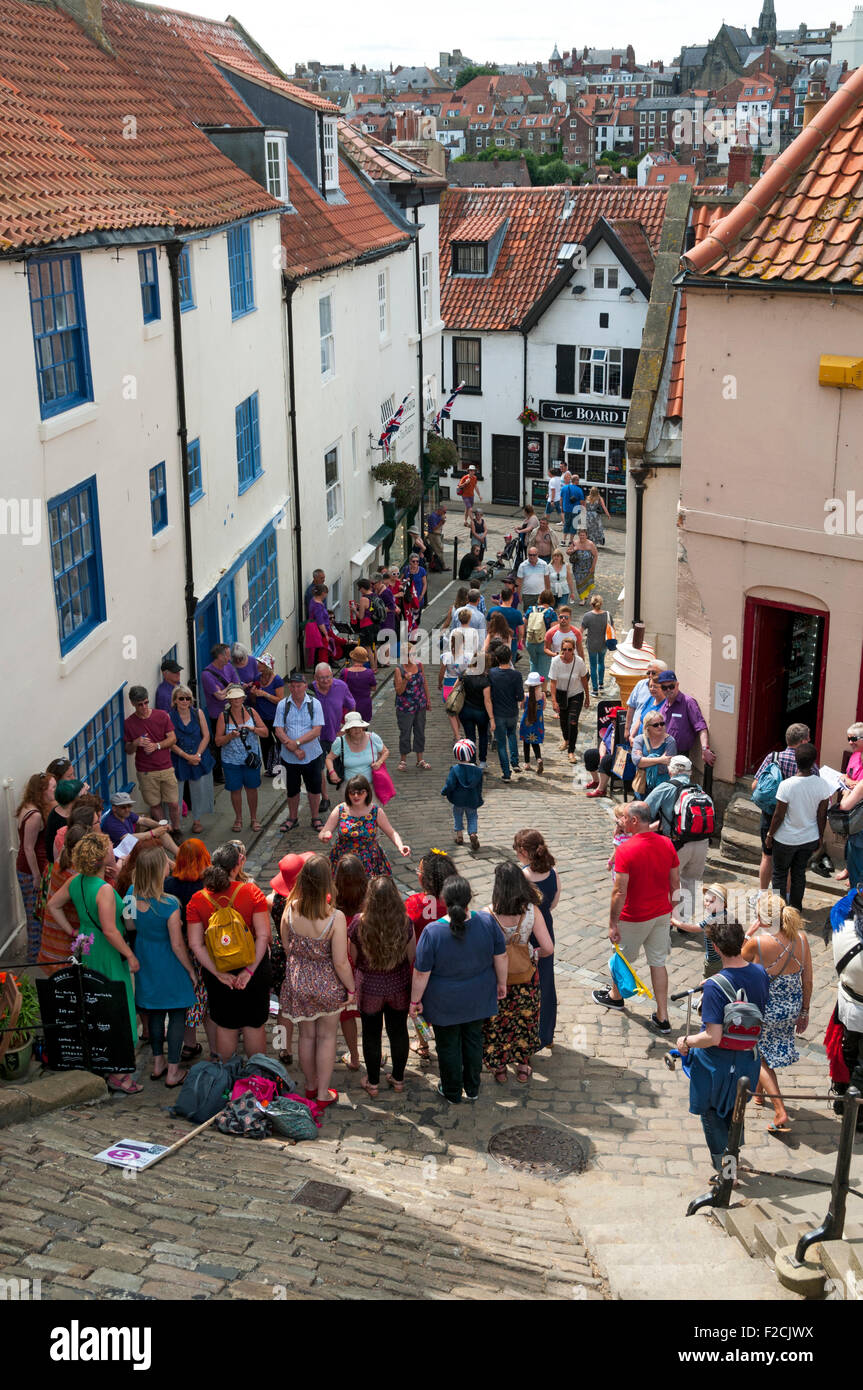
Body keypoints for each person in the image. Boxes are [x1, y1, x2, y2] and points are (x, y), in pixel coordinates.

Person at [46, 832, 141, 1094]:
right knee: (120, 1006)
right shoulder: (105, 890)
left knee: (96, 1005)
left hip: (87, 945)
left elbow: (52, 904)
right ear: (102, 858)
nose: (114, 849)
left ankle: (102, 1060)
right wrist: (130, 955)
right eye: (111, 847)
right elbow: (112, 930)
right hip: (108, 950)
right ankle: (120, 1074)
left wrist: (73, 932)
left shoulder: (76, 881)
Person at [677, 920, 769, 1175]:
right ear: (742, 943)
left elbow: (713, 1036)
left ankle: (727, 1174)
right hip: (748, 1058)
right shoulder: (761, 973)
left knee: (711, 1113)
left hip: (717, 1063)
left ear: (716, 948)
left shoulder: (715, 986)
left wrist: (685, 1042)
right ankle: (733, 1157)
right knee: (734, 1111)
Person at [411, 876, 507, 1103]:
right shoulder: (487, 921)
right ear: (469, 898)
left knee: (447, 1046)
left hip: (444, 1002)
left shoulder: (433, 932)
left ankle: (452, 1090)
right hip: (478, 997)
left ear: (444, 899)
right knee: (474, 1041)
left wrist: (415, 1001)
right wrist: (501, 983)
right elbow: (500, 956)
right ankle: (473, 1088)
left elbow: (421, 973)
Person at [592, 802, 680, 1033]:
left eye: (623, 819)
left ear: (634, 821)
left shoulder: (626, 849)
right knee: (658, 963)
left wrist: (612, 923)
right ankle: (662, 1016)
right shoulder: (667, 843)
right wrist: (673, 909)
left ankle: (616, 996)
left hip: (634, 916)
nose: (620, 821)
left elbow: (619, 891)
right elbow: (675, 884)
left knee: (621, 958)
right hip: (661, 913)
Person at [279, 855, 356, 1108]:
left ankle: (310, 1085)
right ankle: (323, 1092)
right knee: (326, 1037)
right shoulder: (335, 917)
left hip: (299, 980)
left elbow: (286, 943)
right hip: (327, 983)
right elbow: (340, 962)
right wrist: (351, 988)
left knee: (306, 1036)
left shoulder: (290, 908)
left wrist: (301, 966)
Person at [185, 843, 272, 1062]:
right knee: (254, 1024)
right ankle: (256, 1078)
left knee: (225, 1025)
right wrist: (249, 972)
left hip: (219, 969)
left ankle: (226, 1077)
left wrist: (218, 974)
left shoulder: (197, 900)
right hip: (253, 966)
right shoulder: (251, 892)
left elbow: (196, 945)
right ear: (237, 865)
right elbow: (263, 936)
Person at [125, 844, 196, 1088]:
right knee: (176, 1014)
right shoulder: (170, 905)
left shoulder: (130, 894)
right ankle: (173, 1071)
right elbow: (177, 945)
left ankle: (158, 1063)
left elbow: (130, 926)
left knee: (154, 1012)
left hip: (146, 958)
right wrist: (189, 970)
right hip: (169, 962)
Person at [740, 891, 811, 1134]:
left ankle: (780, 1111)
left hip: (766, 1008)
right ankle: (759, 1094)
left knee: (758, 1054)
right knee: (768, 1047)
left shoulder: (757, 943)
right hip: (791, 1007)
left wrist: (749, 933)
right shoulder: (801, 939)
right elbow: (808, 981)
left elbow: (737, 964)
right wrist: (804, 1011)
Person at [483, 862, 554, 1083]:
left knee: (498, 1023)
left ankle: (500, 1068)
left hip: (498, 979)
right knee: (525, 1020)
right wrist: (533, 954)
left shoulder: (488, 914)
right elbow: (548, 948)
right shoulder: (531, 911)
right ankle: (523, 1066)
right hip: (526, 977)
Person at [349, 875, 416, 1097]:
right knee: (398, 1032)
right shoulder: (405, 922)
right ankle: (398, 1079)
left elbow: (354, 955)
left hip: (370, 987)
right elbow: (411, 955)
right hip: (398, 985)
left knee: (371, 1034)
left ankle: (373, 1082)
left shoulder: (359, 922)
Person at [164, 837, 217, 1062]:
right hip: (205, 946)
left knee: (188, 997)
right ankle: (216, 1049)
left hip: (179, 947)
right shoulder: (208, 885)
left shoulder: (169, 884)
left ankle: (189, 1044)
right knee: (209, 1001)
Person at [646, 755, 712, 927]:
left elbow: (644, 809)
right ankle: (683, 922)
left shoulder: (666, 787)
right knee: (690, 882)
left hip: (677, 844)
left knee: (667, 882)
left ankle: (665, 922)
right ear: (690, 772)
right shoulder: (699, 789)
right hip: (702, 843)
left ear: (670, 770)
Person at [765, 743, 830, 911]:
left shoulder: (787, 785)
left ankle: (779, 912)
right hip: (809, 838)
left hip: (785, 839)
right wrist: (820, 837)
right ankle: (795, 909)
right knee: (799, 874)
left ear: (796, 761)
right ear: (814, 762)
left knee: (779, 874)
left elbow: (779, 815)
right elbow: (822, 816)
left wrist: (770, 835)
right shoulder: (822, 785)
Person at [750, 723, 813, 891]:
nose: (810, 740)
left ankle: (763, 894)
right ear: (801, 741)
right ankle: (784, 900)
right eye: (808, 738)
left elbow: (754, 786)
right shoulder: (808, 763)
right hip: (794, 818)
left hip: (770, 814)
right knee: (790, 863)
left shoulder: (773, 757)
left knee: (767, 856)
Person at [513, 829, 560, 1050]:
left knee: (526, 982)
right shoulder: (553, 872)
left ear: (523, 851)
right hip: (547, 928)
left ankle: (526, 1032)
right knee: (547, 983)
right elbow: (553, 903)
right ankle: (547, 1034)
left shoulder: (523, 876)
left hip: (529, 931)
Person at [320, 775, 410, 874]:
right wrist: (325, 835)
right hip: (344, 860)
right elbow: (324, 831)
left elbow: (391, 832)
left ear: (367, 792)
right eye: (352, 793)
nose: (355, 796)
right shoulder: (340, 809)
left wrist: (400, 846)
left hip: (370, 861)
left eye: (360, 793)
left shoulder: (376, 811)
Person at [829, 886, 863, 1130]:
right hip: (855, 1003)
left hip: (848, 1003)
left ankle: (842, 1099)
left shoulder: (841, 921)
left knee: (848, 1051)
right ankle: (857, 1115)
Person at [274, 672, 325, 834]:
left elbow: (317, 730)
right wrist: (295, 749)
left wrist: (296, 743)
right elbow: (278, 729)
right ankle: (292, 818)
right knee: (292, 788)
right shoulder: (283, 704)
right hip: (289, 757)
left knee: (314, 788)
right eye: (293, 686)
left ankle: (315, 817)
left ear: (305, 686)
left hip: (311, 755)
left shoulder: (314, 704)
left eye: (299, 686)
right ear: (289, 687)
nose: (296, 690)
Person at [124, 686, 180, 832]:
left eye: (146, 703)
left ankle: (176, 829)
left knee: (174, 803)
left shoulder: (161, 715)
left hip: (166, 767)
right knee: (155, 805)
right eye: (139, 704)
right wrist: (135, 743)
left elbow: (173, 738)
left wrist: (157, 746)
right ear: (132, 704)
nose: (143, 707)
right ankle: (164, 831)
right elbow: (128, 750)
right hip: (146, 771)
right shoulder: (129, 723)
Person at [332, 854, 368, 1072]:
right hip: (366, 963)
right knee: (370, 1011)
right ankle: (372, 1049)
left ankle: (354, 1055)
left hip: (343, 965)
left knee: (347, 1014)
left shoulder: (332, 903)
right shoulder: (369, 901)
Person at [215, 684, 267, 833]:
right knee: (235, 790)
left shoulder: (251, 712)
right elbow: (218, 741)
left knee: (252, 789)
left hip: (250, 758)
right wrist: (231, 736)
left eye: (239, 697)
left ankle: (254, 818)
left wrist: (253, 729)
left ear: (243, 698)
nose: (237, 700)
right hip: (231, 760)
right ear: (229, 700)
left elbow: (265, 733)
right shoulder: (223, 716)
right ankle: (238, 819)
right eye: (233, 698)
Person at [39, 824, 87, 976]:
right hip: (65, 927)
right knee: (66, 976)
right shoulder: (75, 873)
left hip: (54, 927)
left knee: (58, 979)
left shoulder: (62, 857)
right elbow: (55, 905)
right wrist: (72, 931)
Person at [16, 773, 53, 963]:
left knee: (37, 914)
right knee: (34, 916)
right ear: (41, 791)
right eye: (52, 788)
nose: (54, 791)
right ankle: (33, 958)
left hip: (32, 868)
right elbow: (28, 848)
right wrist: (37, 877)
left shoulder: (30, 807)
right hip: (30, 870)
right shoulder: (35, 815)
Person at [311, 662, 357, 811]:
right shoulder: (310, 690)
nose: (325, 680)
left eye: (328, 677)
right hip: (315, 737)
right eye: (321, 678)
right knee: (319, 769)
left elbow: (352, 706)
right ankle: (325, 798)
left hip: (335, 735)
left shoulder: (341, 687)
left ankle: (349, 798)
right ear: (315, 678)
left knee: (343, 768)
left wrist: (345, 727)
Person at [169, 685, 214, 834]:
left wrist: (197, 756)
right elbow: (170, 742)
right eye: (181, 698)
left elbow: (206, 735)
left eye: (187, 698)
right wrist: (187, 756)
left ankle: (197, 820)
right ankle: (176, 825)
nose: (184, 701)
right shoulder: (169, 717)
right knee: (176, 793)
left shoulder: (197, 713)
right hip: (179, 758)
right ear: (175, 700)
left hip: (198, 756)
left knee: (198, 790)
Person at [656, 671, 716, 768]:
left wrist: (705, 749)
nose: (668, 690)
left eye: (671, 686)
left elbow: (701, 727)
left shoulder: (688, 702)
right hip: (663, 754)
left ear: (677, 685)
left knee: (678, 782)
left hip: (680, 755)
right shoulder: (664, 705)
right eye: (664, 687)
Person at [199, 644, 240, 782]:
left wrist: (225, 690)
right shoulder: (207, 674)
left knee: (234, 738)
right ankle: (218, 773)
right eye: (228, 655)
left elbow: (236, 686)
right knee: (219, 742)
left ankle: (233, 766)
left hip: (232, 710)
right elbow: (219, 697)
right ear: (221, 656)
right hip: (217, 714)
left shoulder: (229, 667)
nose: (230, 657)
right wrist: (227, 689)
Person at [548, 636, 590, 763]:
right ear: (561, 649)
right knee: (563, 721)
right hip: (561, 694)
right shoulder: (555, 661)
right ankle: (566, 739)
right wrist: (554, 701)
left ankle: (571, 751)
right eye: (564, 649)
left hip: (576, 694)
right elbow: (553, 682)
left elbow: (584, 679)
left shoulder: (579, 662)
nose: (566, 652)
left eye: (569, 649)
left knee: (573, 722)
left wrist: (587, 697)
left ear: (574, 650)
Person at [325, 711, 389, 793]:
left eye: (359, 726)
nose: (357, 730)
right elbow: (329, 758)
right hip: (350, 787)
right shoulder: (340, 742)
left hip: (371, 786)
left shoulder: (373, 738)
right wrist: (332, 772)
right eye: (353, 727)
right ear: (348, 730)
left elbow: (385, 751)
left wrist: (379, 762)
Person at [486, 644, 524, 781]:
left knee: (501, 743)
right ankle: (515, 762)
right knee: (512, 735)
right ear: (510, 658)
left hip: (498, 713)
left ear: (496, 658)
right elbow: (520, 697)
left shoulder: (492, 674)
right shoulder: (516, 675)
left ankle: (506, 773)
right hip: (512, 712)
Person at [393, 638, 432, 772]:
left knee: (420, 731)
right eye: (410, 654)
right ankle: (403, 760)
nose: (413, 657)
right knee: (405, 733)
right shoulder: (399, 669)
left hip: (419, 704)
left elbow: (424, 682)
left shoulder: (419, 665)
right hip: (405, 707)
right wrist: (405, 679)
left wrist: (428, 699)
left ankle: (420, 759)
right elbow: (399, 691)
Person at [675, 881, 729, 976]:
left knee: (708, 981)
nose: (707, 904)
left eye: (712, 902)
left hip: (714, 961)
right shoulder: (725, 914)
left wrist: (677, 922)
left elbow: (694, 928)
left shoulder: (712, 919)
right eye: (706, 900)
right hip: (725, 957)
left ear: (723, 904)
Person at [101, 790, 179, 855]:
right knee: (154, 846)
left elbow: (143, 820)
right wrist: (153, 833)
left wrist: (159, 825)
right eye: (123, 807)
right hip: (122, 854)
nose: (127, 809)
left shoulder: (125, 814)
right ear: (114, 808)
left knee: (161, 834)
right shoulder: (111, 823)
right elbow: (128, 838)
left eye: (129, 805)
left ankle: (180, 855)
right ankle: (175, 865)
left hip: (130, 846)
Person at [441, 738, 484, 850]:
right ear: (471, 755)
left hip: (458, 800)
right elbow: (479, 787)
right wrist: (479, 798)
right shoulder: (478, 771)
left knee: (457, 815)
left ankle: (459, 836)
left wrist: (444, 792)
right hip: (472, 799)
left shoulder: (455, 770)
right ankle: (473, 834)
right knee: (472, 816)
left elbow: (450, 784)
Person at [250, 654, 284, 775]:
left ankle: (282, 767)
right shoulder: (257, 677)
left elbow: (280, 700)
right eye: (258, 662)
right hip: (261, 716)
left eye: (261, 663)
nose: (258, 665)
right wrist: (253, 694)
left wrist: (264, 694)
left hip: (275, 717)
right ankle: (270, 768)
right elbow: (254, 700)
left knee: (280, 741)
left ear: (267, 666)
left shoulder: (277, 680)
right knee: (265, 743)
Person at [633, 711, 678, 793]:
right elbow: (637, 761)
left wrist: (645, 761)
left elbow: (664, 768)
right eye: (655, 725)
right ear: (647, 727)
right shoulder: (639, 739)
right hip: (642, 785)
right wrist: (660, 760)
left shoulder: (670, 741)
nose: (660, 727)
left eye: (662, 723)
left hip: (662, 786)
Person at [460, 651, 491, 769]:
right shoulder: (485, 679)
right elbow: (487, 700)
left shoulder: (465, 674)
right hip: (481, 712)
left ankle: (472, 760)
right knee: (483, 736)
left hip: (466, 711)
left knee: (470, 736)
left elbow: (455, 688)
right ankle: (482, 761)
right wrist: (492, 718)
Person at [623, 659, 666, 742]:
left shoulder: (664, 696)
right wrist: (627, 729)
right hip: (634, 735)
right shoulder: (641, 685)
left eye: (653, 673)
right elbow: (631, 707)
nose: (650, 675)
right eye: (648, 673)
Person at [582, 593, 611, 696]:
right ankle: (601, 685)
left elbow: (580, 630)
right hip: (603, 644)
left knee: (593, 666)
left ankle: (594, 689)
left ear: (591, 603)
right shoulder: (607, 614)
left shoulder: (587, 616)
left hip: (592, 645)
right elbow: (612, 629)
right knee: (601, 663)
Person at [486, 586, 524, 663]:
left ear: (501, 597)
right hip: (511, 644)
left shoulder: (492, 611)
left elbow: (488, 627)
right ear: (512, 598)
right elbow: (521, 632)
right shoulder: (517, 613)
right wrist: (518, 641)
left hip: (494, 643)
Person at [838, 772, 863, 890]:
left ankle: (856, 906)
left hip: (860, 836)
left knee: (857, 877)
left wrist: (846, 793)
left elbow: (845, 806)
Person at [342, 647, 377, 724]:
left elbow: (341, 688)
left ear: (353, 658)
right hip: (364, 704)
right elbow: (374, 688)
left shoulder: (345, 672)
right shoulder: (369, 673)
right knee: (364, 726)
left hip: (349, 705)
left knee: (349, 726)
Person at [519, 671, 546, 773]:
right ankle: (538, 758)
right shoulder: (543, 695)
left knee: (526, 743)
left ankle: (527, 763)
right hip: (537, 723)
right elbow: (543, 708)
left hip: (526, 722)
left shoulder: (526, 695)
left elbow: (521, 707)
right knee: (535, 743)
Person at [568, 528, 598, 606]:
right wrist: (573, 550)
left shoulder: (591, 544)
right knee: (579, 583)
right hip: (577, 567)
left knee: (587, 582)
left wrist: (593, 567)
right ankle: (583, 596)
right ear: (578, 535)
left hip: (588, 567)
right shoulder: (575, 543)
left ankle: (583, 598)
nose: (582, 537)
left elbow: (595, 556)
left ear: (586, 536)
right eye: (580, 535)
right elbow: (568, 552)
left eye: (583, 535)